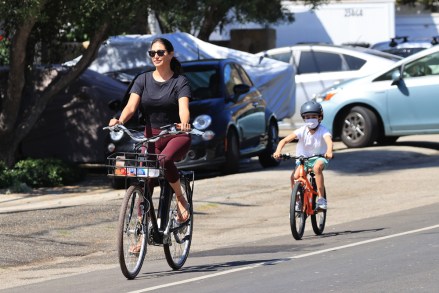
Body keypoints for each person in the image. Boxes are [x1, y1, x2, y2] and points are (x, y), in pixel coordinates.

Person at [108, 37, 191, 224]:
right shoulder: (142, 79)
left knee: (165, 160)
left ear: (170, 54)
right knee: (145, 178)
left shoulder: (180, 82)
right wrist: (119, 120)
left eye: (160, 52)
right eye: (152, 53)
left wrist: (184, 123)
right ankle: (140, 228)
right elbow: (130, 107)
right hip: (150, 137)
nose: (156, 56)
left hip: (175, 135)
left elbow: (183, 108)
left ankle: (180, 197)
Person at [273, 101, 333, 210]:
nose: (310, 119)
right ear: (303, 118)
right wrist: (277, 151)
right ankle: (297, 202)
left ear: (320, 117)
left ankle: (321, 199)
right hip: (303, 159)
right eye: (307, 117)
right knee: (294, 177)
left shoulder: (323, 130)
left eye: (313, 116)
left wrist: (329, 151)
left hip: (319, 158)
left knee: (317, 168)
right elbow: (285, 140)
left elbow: (329, 141)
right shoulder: (302, 130)